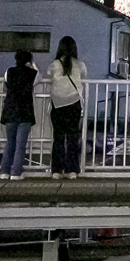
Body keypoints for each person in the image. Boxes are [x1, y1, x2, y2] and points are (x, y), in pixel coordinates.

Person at [48, 36, 86, 179]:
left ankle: (56, 171)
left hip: (57, 104)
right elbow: (84, 76)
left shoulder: (55, 64)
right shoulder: (79, 65)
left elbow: (49, 75)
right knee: (72, 137)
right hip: (74, 103)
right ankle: (72, 170)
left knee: (58, 137)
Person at [0, 50, 41, 180]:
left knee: (10, 142)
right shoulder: (33, 74)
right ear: (29, 60)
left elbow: (6, 85)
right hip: (25, 111)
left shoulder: (9, 72)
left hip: (10, 110)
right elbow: (39, 75)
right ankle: (16, 172)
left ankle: (4, 171)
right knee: (20, 144)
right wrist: (32, 64)